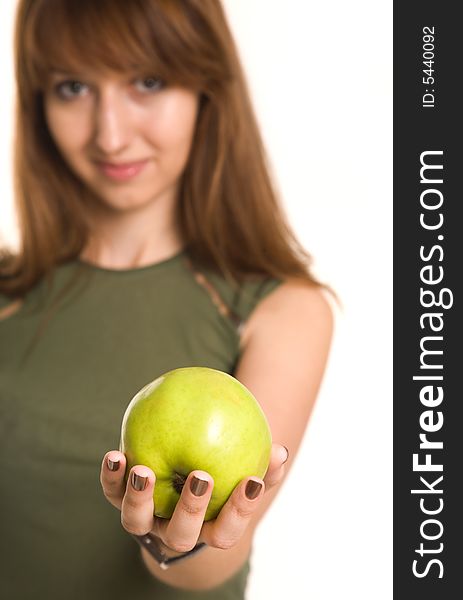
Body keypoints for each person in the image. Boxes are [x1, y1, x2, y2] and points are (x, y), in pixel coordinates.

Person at [0, 0, 333, 598]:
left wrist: (174, 540)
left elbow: (210, 567)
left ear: (207, 87)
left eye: (147, 82)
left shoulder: (279, 309)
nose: (110, 134)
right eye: (73, 86)